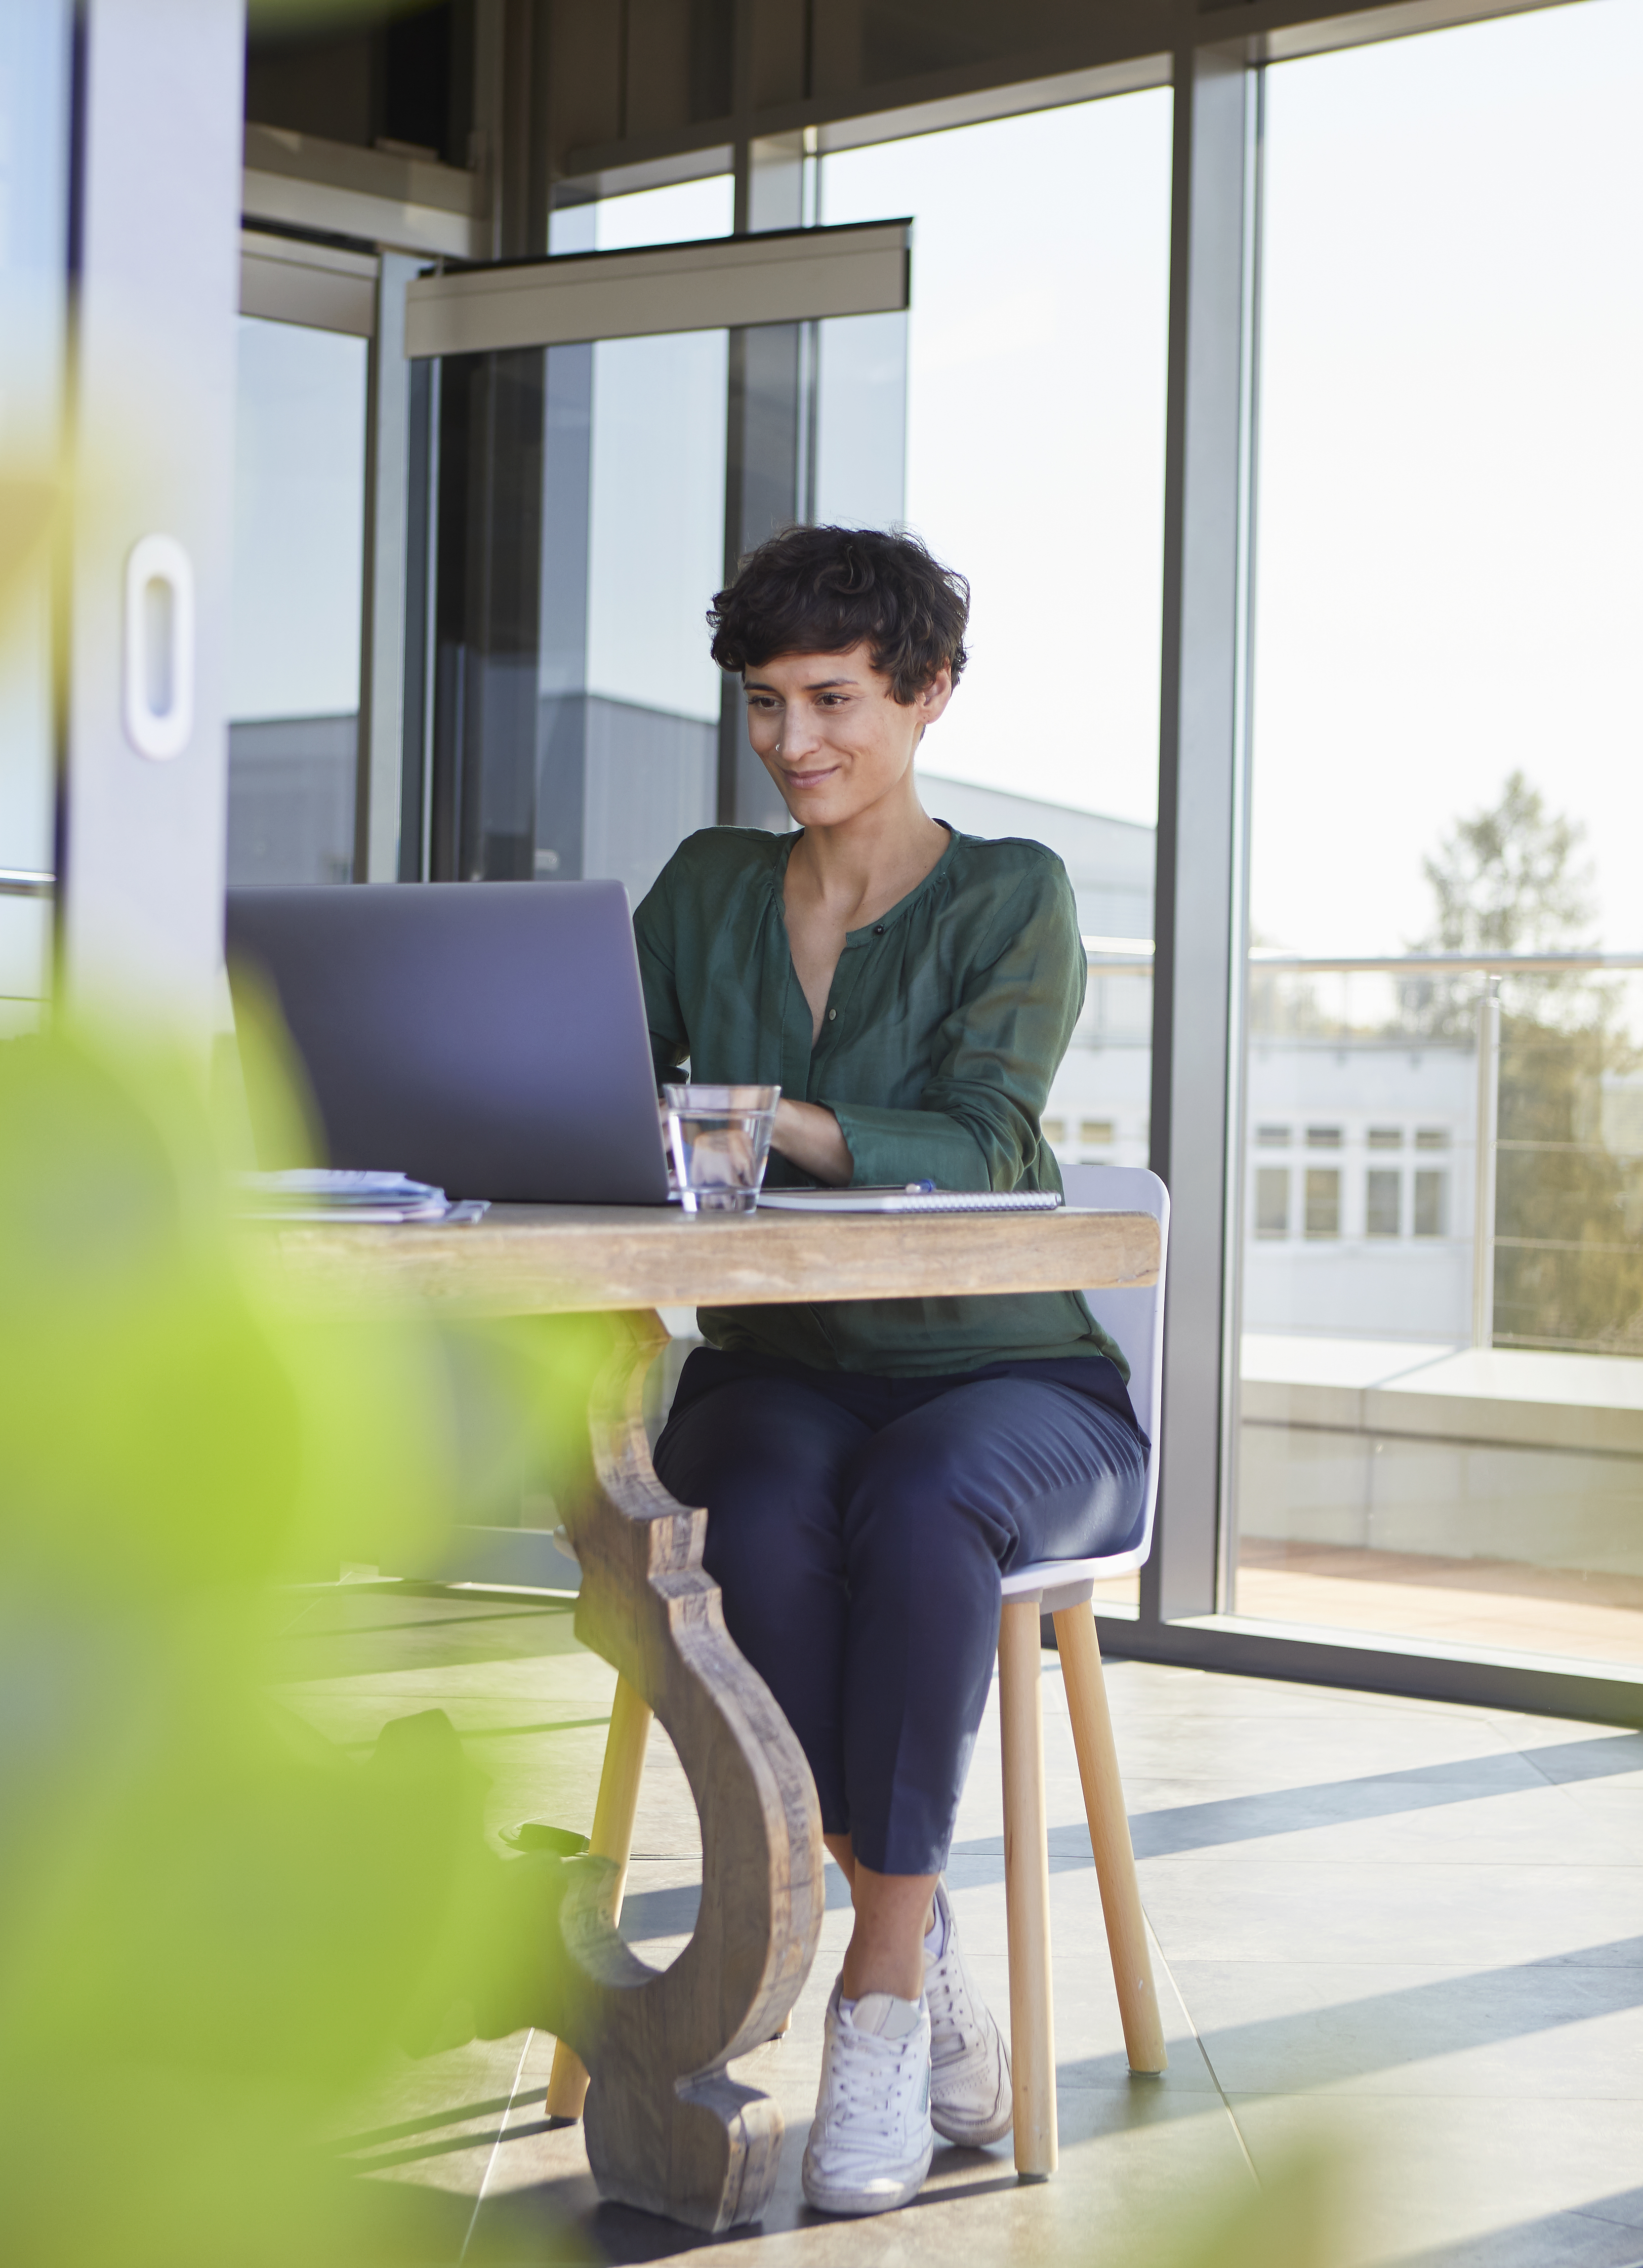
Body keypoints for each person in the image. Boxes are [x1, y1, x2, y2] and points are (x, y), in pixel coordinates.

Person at [633, 526, 1151, 2217]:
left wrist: (761, 1115)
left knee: (922, 1508)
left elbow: (992, 1143)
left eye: (836, 698)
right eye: (767, 704)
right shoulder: (705, 887)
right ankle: (913, 1953)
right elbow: (602, 1088)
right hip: (785, 1365)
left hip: (1007, 1384)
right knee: (749, 1507)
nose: (795, 744)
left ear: (929, 694)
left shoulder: (1012, 894)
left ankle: (873, 1991)